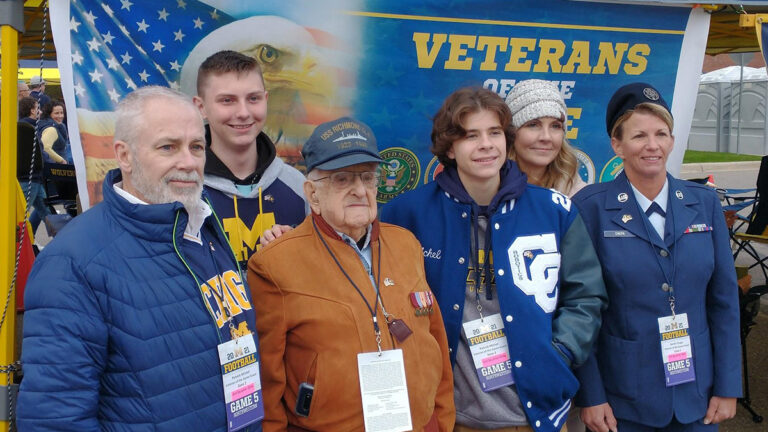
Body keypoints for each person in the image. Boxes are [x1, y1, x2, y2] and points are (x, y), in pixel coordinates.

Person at [17, 86, 263, 431]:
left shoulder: (202, 224)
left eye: (196, 147)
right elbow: (56, 418)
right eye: (168, 147)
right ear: (125, 155)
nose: (189, 162)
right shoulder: (72, 264)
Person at [381, 87, 607, 432]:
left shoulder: (554, 211)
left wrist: (558, 352)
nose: (486, 144)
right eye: (471, 135)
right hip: (450, 417)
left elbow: (586, 296)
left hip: (539, 415)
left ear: (508, 139)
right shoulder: (407, 213)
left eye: (495, 133)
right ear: (450, 147)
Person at [248, 117, 455, 431]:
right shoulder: (275, 264)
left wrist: (440, 419)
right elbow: (268, 380)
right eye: (342, 179)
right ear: (313, 194)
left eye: (368, 178)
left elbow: (435, 339)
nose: (360, 190)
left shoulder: (406, 244)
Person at [573, 83, 741, 432]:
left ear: (672, 140)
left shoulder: (704, 204)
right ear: (617, 145)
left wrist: (728, 386)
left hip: (698, 395)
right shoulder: (590, 208)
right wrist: (591, 394)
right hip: (622, 401)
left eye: (661, 133)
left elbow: (724, 303)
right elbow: (580, 308)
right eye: (639, 136)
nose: (652, 145)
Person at [194, 50, 307, 267]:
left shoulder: (299, 187)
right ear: (202, 107)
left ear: (265, 100)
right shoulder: (182, 190)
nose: (244, 112)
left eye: (253, 98)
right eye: (227, 100)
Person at [505, 79, 586, 198]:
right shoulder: (489, 188)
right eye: (533, 125)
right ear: (512, 133)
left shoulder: (579, 193)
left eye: (555, 126)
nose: (546, 137)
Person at [17, 96, 52, 234]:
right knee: (19, 216)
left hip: (30, 178)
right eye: (38, 109)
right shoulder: (29, 128)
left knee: (47, 213)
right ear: (32, 111)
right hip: (30, 178)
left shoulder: (21, 126)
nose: (41, 112)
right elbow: (40, 153)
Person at [37, 100, 73, 164]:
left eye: (62, 113)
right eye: (56, 113)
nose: (60, 116)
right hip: (54, 168)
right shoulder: (51, 129)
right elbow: (46, 148)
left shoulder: (60, 126)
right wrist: (62, 161)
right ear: (49, 114)